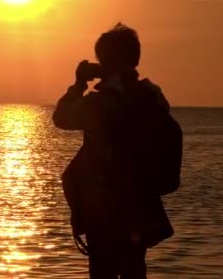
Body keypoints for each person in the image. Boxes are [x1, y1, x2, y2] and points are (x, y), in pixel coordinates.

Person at [53, 23, 175, 278]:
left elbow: (61, 118)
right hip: (140, 207)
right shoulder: (153, 96)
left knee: (103, 272)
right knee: (134, 270)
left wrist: (78, 84)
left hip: (105, 209)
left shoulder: (102, 102)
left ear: (110, 60)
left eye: (103, 59)